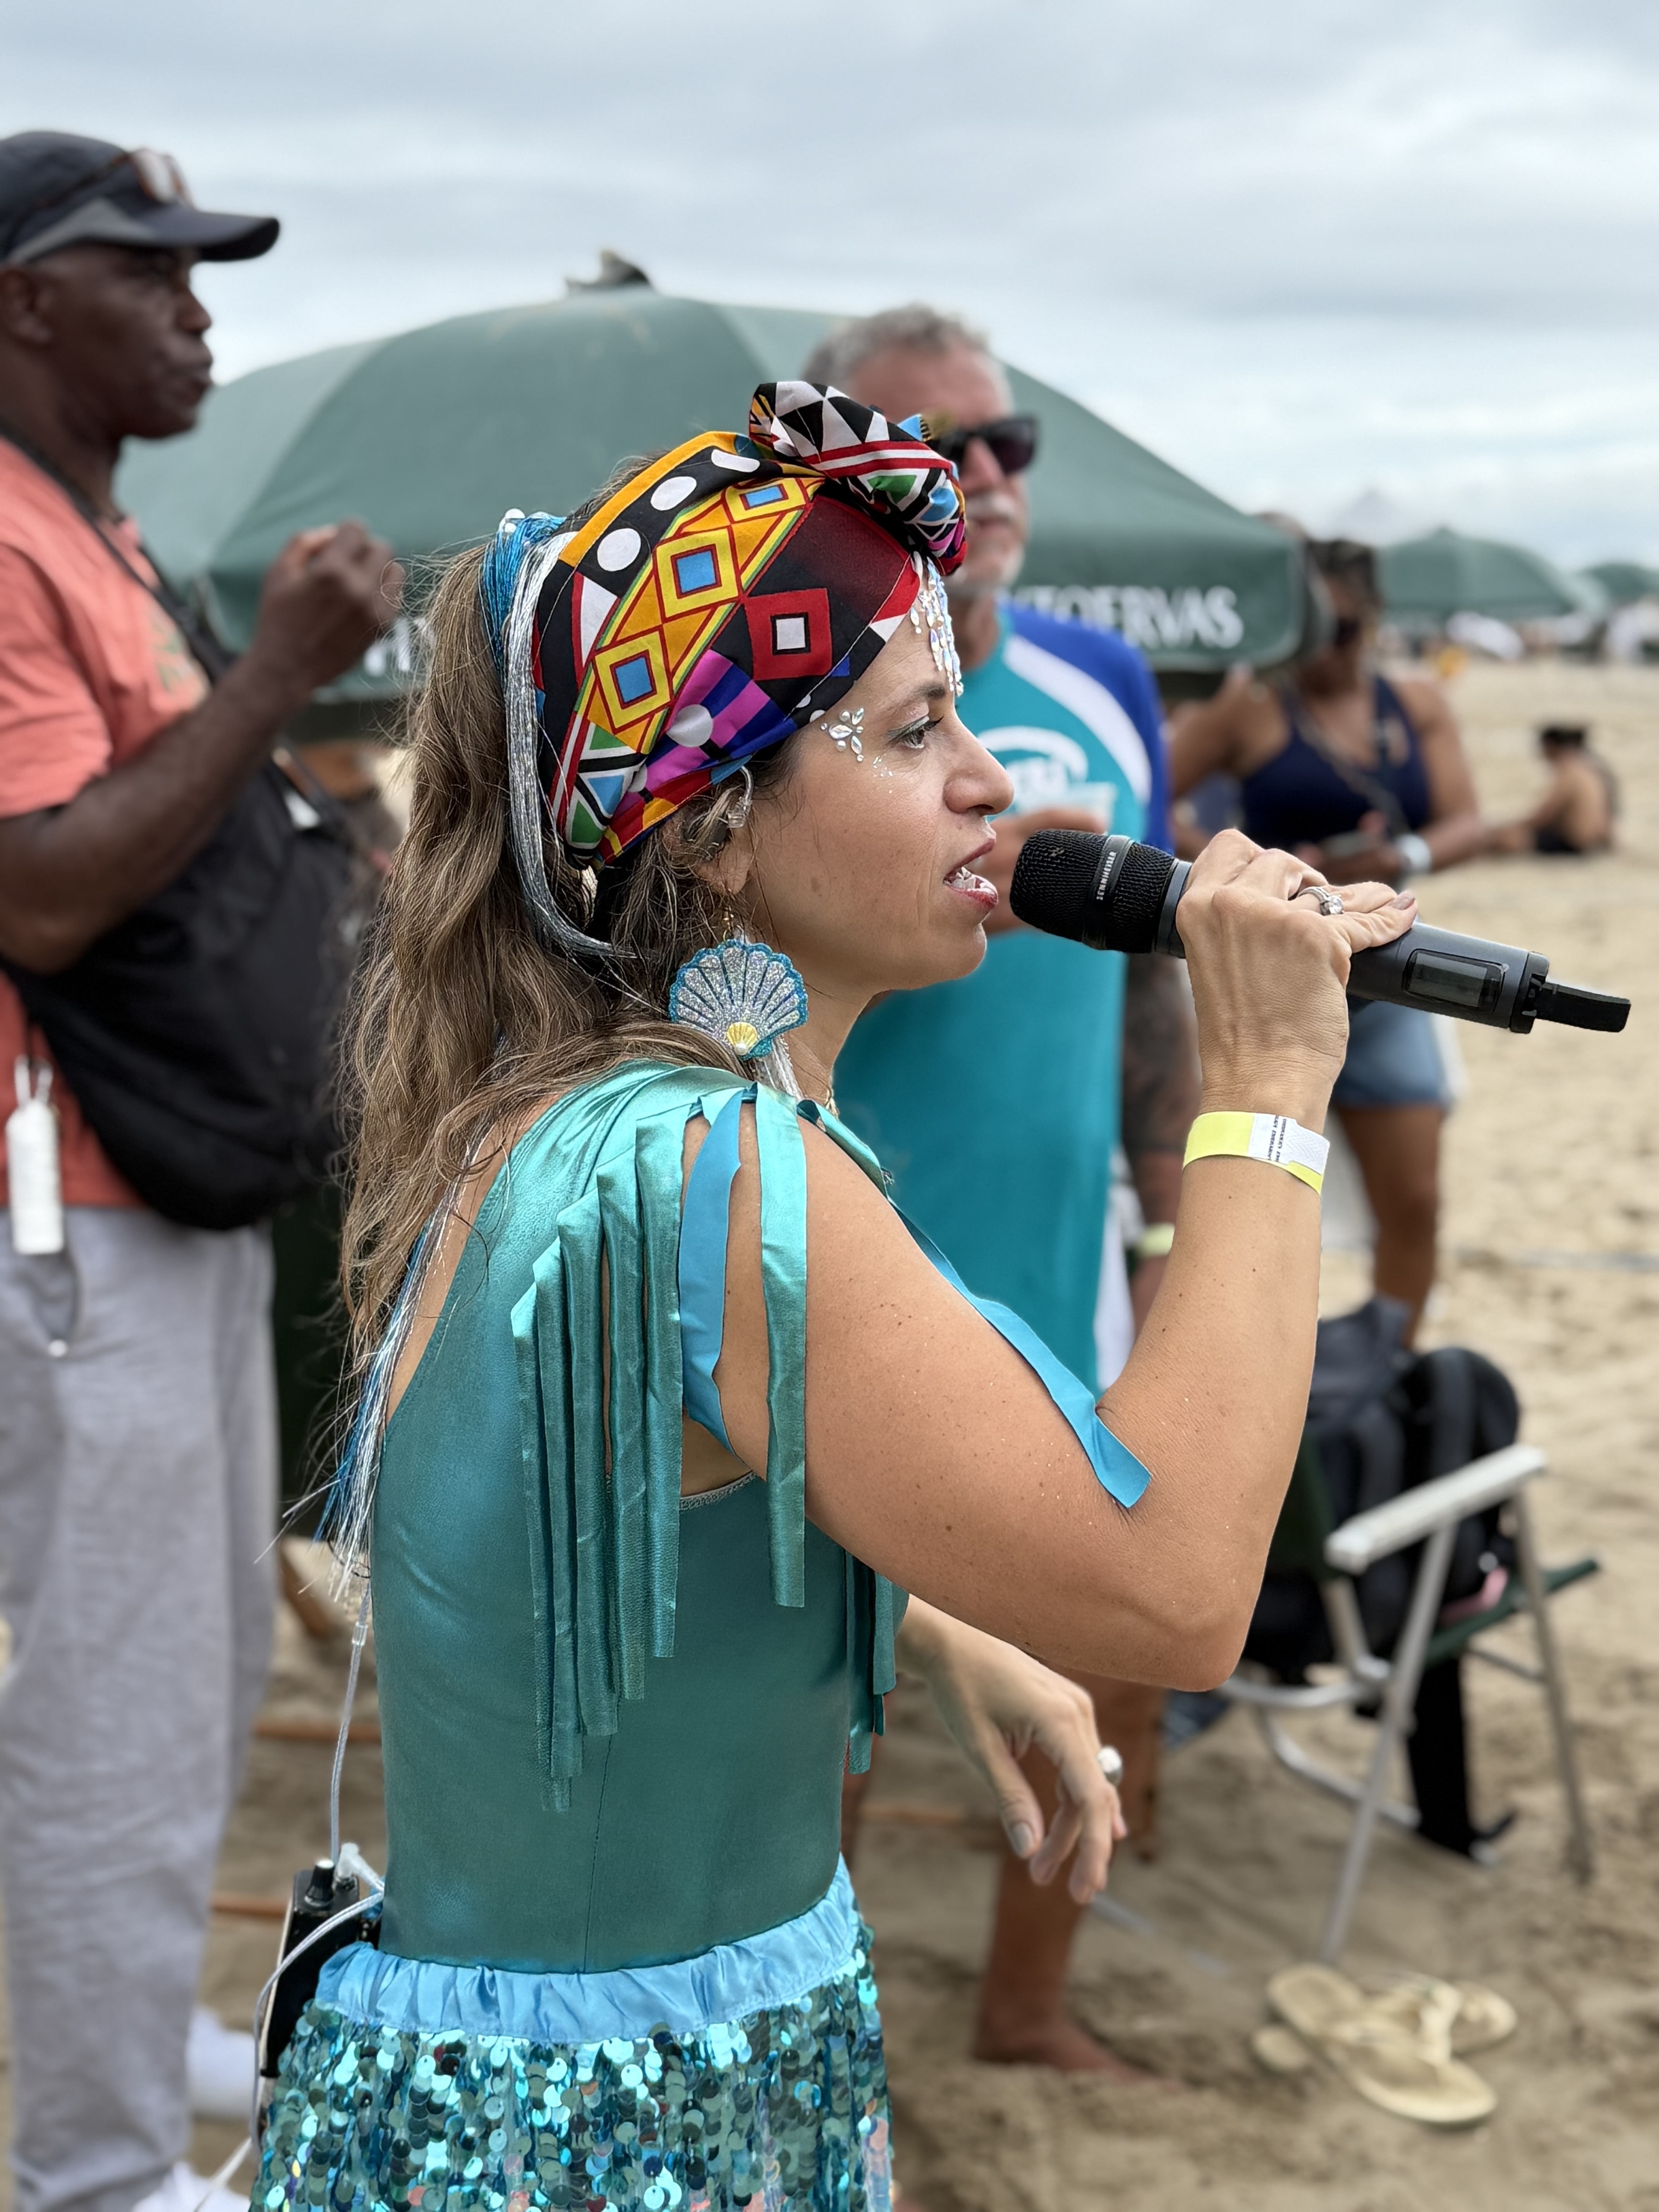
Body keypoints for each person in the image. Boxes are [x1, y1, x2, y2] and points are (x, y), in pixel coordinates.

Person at [252, 383, 1413, 2212]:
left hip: (535, 2087)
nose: (992, 784)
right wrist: (1264, 1092)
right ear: (712, 830)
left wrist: (939, 1618)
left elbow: (631, 1497)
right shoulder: (725, 1174)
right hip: (624, 2130)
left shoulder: (585, 1115)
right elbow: (1185, 1590)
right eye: (916, 730)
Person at [0, 132, 400, 2212]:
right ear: (22, 302)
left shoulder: (95, 531)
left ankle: (132, 2027)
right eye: (146, 272)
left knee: (188, 1675)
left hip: (161, 1189)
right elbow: (45, 892)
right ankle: (95, 2168)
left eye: (201, 271)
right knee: (116, 1703)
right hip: (67, 1207)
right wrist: (273, 678)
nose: (197, 310)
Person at [798, 306, 1200, 2076]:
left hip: (1060, 1262)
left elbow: (1156, 984)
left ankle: (1026, 2015)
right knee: (824, 1705)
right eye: (938, 443)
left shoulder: (1103, 686)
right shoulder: (790, 702)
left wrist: (1171, 1214)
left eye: (1010, 442)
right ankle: (816, 2055)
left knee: (1107, 1663)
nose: (988, 474)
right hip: (850, 1275)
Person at [1170, 537, 1484, 1336]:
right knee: (1241, 1192)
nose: (1316, 650)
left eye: (1337, 630)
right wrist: (1252, 870)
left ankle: (1390, 1365)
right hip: (1262, 979)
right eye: (1301, 630)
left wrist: (1401, 857)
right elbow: (1149, 792)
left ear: (1373, 618)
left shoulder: (1414, 703)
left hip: (1382, 971)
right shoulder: (1252, 705)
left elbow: (1465, 819)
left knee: (1413, 1200)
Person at [1487, 724, 1614, 855]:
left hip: (1573, 843)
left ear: (1550, 746)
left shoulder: (1568, 771)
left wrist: (1512, 827)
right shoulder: (1590, 769)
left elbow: (1543, 816)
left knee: (1508, 839)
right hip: (1593, 842)